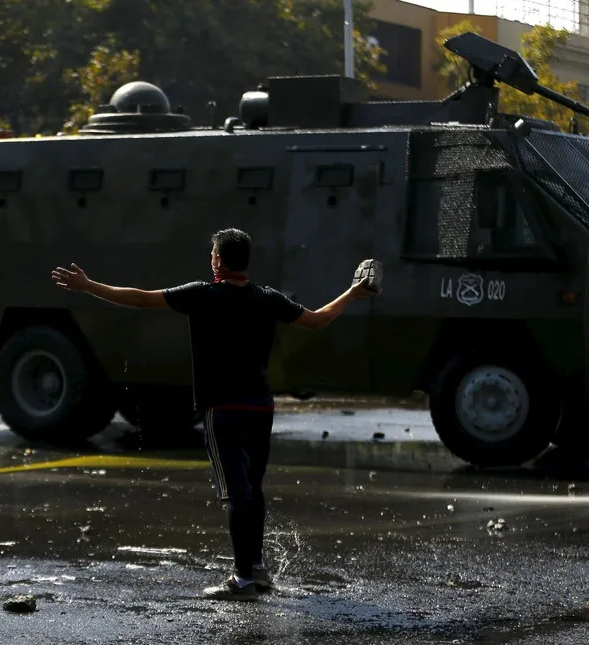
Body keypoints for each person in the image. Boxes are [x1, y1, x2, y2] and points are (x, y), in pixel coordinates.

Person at [50, 228, 380, 602]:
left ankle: (241, 581)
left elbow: (141, 300)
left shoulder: (201, 295)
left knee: (236, 494)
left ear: (218, 261)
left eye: (212, 254)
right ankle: (256, 569)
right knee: (252, 489)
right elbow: (318, 320)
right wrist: (353, 292)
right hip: (260, 407)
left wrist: (88, 286)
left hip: (222, 410)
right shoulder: (267, 298)